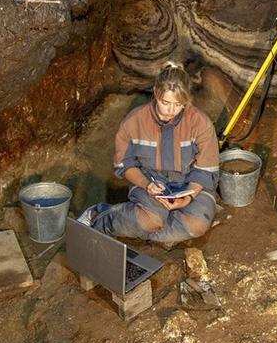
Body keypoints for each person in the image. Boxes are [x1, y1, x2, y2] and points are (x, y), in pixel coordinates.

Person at [77, 63, 219, 245]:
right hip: (151, 183)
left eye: (178, 105)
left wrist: (187, 197)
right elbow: (125, 165)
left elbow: (205, 170)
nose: (170, 111)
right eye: (165, 102)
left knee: (197, 226)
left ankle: (142, 224)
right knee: (151, 221)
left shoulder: (200, 123)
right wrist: (146, 185)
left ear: (186, 101)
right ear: (155, 93)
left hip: (189, 184)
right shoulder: (134, 121)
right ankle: (99, 216)